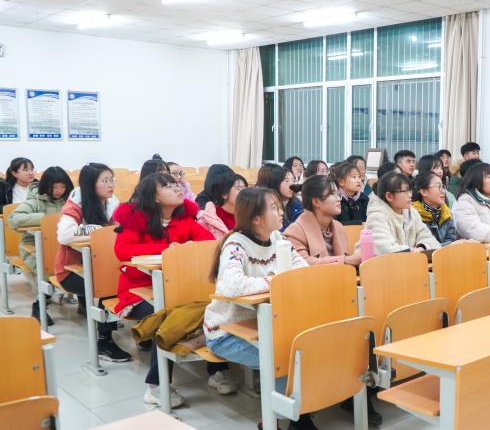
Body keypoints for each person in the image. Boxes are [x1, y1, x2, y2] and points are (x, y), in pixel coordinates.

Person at [113, 173, 235, 407]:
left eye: (177, 184)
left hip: (180, 289)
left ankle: (216, 370)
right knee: (169, 317)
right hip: (140, 290)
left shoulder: (185, 217)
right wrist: (169, 249)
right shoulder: (136, 218)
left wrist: (186, 249)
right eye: (168, 186)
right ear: (154, 197)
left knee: (212, 310)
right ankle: (156, 385)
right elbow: (123, 251)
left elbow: (208, 243)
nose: (178, 189)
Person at [203, 187, 313, 429]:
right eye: (273, 208)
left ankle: (297, 416)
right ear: (255, 219)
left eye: (279, 206)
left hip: (265, 326)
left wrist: (277, 280)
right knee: (282, 358)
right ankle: (277, 421)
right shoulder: (235, 245)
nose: (281, 212)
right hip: (226, 331)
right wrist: (275, 281)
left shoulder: (278, 239)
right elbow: (230, 286)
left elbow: (303, 270)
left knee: (301, 350)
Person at [55, 163, 130, 361]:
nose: (110, 184)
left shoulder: (112, 203)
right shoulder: (75, 204)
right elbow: (64, 235)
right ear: (90, 184)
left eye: (112, 180)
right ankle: (104, 342)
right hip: (71, 271)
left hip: (101, 266)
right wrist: (95, 230)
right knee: (109, 285)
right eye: (105, 180)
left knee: (125, 279)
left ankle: (143, 334)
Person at [8, 167, 73, 324]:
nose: (59, 191)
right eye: (55, 187)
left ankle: (84, 304)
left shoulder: (69, 201)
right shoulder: (35, 200)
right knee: (47, 266)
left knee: (83, 265)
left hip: (63, 247)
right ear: (47, 186)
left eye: (62, 187)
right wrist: (45, 218)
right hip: (34, 248)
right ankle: (39, 305)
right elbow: (14, 219)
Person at [284, 176, 361, 266]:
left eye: (338, 194)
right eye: (332, 194)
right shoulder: (295, 231)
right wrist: (345, 260)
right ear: (316, 202)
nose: (339, 199)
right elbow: (303, 263)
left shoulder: (338, 226)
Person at [360, 172, 440, 255]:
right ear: (389, 196)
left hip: (408, 261)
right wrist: (412, 251)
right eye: (405, 191)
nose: (410, 195)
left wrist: (422, 247)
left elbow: (430, 239)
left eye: (410, 190)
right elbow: (385, 249)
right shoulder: (377, 216)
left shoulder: (411, 212)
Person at [412, 171, 458, 246]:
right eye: (438, 186)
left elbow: (451, 239)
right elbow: (424, 247)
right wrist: (451, 245)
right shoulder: (414, 215)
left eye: (442, 186)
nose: (443, 191)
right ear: (423, 191)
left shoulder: (446, 213)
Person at [197, 172, 248, 239]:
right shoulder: (209, 219)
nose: (244, 193)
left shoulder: (249, 215)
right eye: (239, 189)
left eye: (244, 189)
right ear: (224, 194)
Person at [258, 166, 303, 231]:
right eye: (287, 181)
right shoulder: (267, 203)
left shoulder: (296, 203)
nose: (292, 185)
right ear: (276, 183)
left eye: (293, 180)